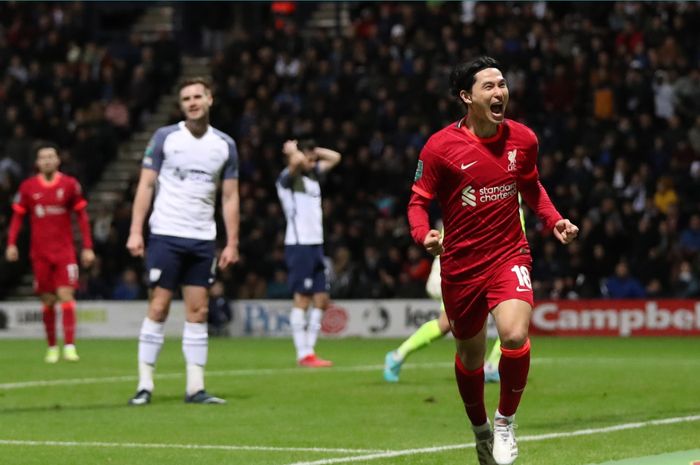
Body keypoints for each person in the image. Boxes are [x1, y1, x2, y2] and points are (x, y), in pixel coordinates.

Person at [407, 57, 579, 465]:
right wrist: (424, 235)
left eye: (502, 84)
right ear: (467, 97)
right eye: (489, 86)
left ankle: (504, 422)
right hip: (461, 265)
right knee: (469, 356)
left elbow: (531, 185)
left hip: (508, 254)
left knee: (515, 336)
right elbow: (418, 202)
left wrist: (554, 220)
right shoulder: (439, 147)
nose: (499, 92)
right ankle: (480, 429)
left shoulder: (524, 139)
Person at [126, 77, 240, 406]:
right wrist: (136, 230)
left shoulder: (224, 145)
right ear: (181, 105)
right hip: (166, 235)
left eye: (197, 96)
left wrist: (232, 242)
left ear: (210, 100)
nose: (192, 102)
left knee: (198, 310)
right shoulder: (165, 138)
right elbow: (145, 186)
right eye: (186, 98)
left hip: (202, 238)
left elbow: (230, 197)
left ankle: (195, 388)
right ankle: (145, 384)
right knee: (158, 308)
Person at [5, 142, 95, 363]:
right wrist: (11, 243)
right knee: (47, 301)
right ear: (37, 163)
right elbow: (17, 217)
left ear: (58, 160)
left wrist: (87, 247)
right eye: (42, 157)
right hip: (40, 253)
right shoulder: (28, 187)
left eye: (50, 156)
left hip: (65, 252)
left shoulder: (70, 185)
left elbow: (82, 217)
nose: (47, 160)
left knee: (66, 295)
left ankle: (70, 346)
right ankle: (52, 346)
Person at [383, 244, 502, 384]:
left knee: (509, 315)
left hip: (487, 263)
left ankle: (492, 366)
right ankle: (397, 355)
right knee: (445, 324)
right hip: (460, 265)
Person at [275, 139, 340, 367]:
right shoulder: (287, 179)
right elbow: (297, 163)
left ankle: (310, 351)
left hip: (316, 245)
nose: (312, 163)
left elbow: (335, 157)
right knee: (302, 298)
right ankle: (303, 353)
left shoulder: (312, 177)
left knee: (322, 299)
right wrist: (294, 152)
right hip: (299, 244)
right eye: (308, 159)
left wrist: (313, 151)